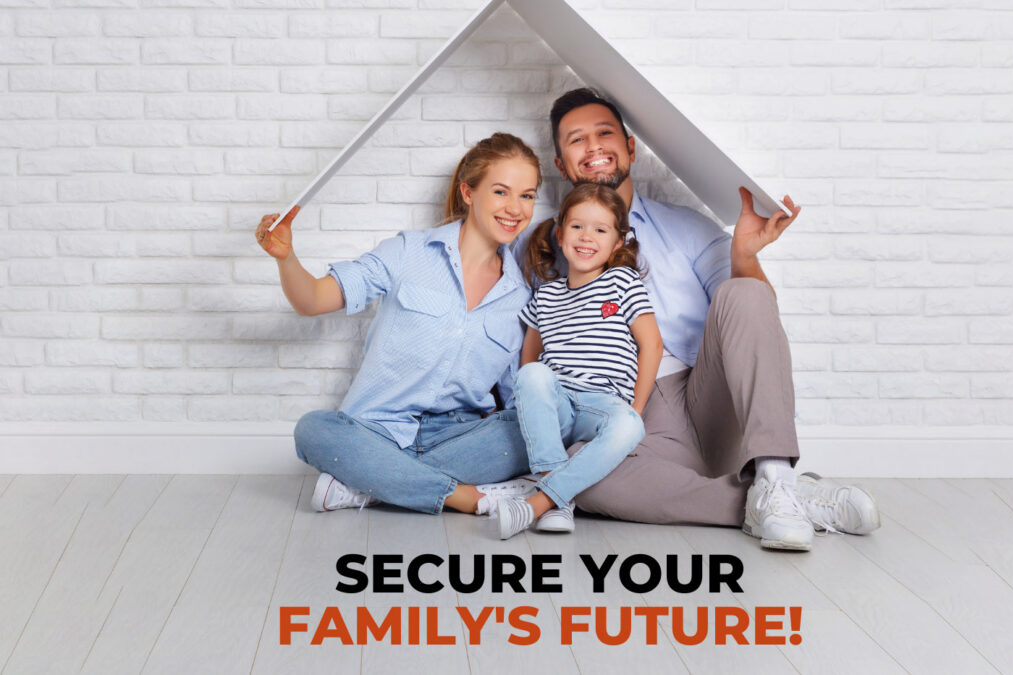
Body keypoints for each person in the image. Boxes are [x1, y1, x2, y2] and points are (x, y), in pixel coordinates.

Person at [502, 88, 880, 550]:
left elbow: (755, 315)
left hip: (708, 398)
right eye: (577, 140)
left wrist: (743, 255)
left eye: (605, 134)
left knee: (745, 290)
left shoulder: (689, 227)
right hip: (625, 413)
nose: (595, 147)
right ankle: (780, 501)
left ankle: (776, 473)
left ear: (630, 147)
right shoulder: (546, 249)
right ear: (562, 164)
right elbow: (523, 342)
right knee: (580, 476)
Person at [255, 132, 544, 516]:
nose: (516, 208)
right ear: (468, 193)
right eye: (501, 192)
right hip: (376, 431)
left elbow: (514, 399)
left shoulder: (519, 297)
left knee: (530, 429)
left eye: (527, 195)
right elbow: (312, 301)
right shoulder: (408, 252)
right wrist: (286, 258)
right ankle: (468, 497)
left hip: (457, 436)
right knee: (313, 430)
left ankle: (368, 486)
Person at [493, 183, 663, 539]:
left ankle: (539, 503)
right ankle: (558, 499)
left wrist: (636, 406)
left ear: (617, 242)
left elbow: (653, 345)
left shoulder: (622, 281)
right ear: (560, 233)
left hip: (602, 405)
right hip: (558, 404)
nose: (587, 237)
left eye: (600, 230)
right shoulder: (547, 294)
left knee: (631, 426)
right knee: (533, 373)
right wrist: (524, 397)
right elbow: (530, 355)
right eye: (577, 226)